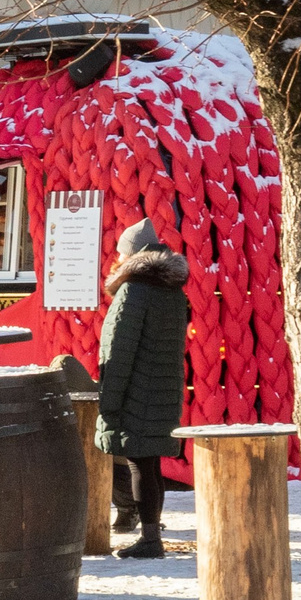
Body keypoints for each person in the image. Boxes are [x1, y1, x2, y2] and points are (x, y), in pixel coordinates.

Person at [95, 217, 191, 559]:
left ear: (130, 255)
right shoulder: (172, 291)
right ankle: (152, 532)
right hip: (164, 389)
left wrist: (108, 400)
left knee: (138, 462)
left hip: (137, 390)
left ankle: (150, 540)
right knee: (149, 463)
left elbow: (119, 350)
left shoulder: (133, 292)